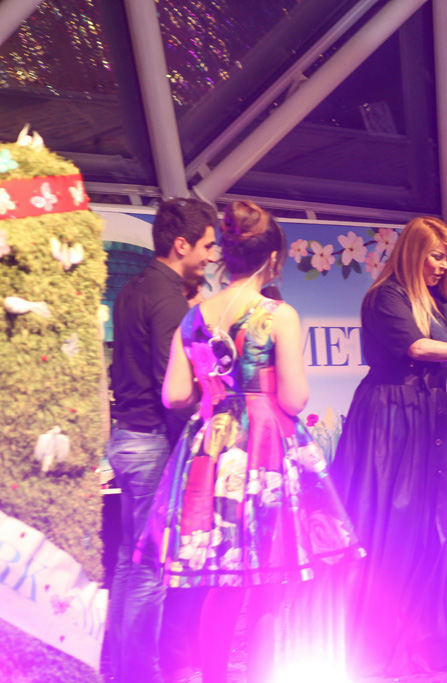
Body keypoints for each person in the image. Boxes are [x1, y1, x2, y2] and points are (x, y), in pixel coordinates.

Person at [135, 201, 362, 683]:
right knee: (267, 583)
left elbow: (174, 395)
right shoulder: (278, 314)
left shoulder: (194, 317)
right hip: (263, 451)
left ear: (226, 255)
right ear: (273, 258)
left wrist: (214, 389)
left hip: (212, 452)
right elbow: (295, 400)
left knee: (224, 583)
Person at [330, 216, 447, 677]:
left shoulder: (438, 301)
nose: (442, 266)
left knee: (442, 527)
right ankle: (380, 646)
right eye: (436, 256)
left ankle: (436, 642)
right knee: (394, 526)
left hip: (431, 417)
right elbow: (415, 349)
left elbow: (445, 357)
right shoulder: (386, 296)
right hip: (392, 420)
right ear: (414, 252)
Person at [106, 197, 218, 683]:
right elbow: (171, 387)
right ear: (182, 244)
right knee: (148, 568)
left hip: (127, 439)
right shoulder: (168, 298)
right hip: (151, 442)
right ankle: (138, 673)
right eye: (207, 245)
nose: (212, 255)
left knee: (131, 564)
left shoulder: (133, 288)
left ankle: (121, 668)